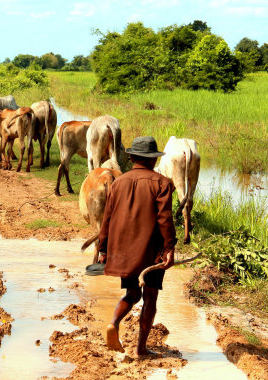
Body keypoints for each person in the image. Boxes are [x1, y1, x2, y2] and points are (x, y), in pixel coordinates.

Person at [97, 136, 176, 357]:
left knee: (132, 294)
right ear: (153, 160)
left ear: (131, 158)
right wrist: (169, 249)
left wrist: (103, 249)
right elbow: (165, 220)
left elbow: (107, 219)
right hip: (151, 253)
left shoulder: (118, 183)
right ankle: (141, 349)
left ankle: (113, 323)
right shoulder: (162, 183)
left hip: (124, 251)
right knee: (150, 297)